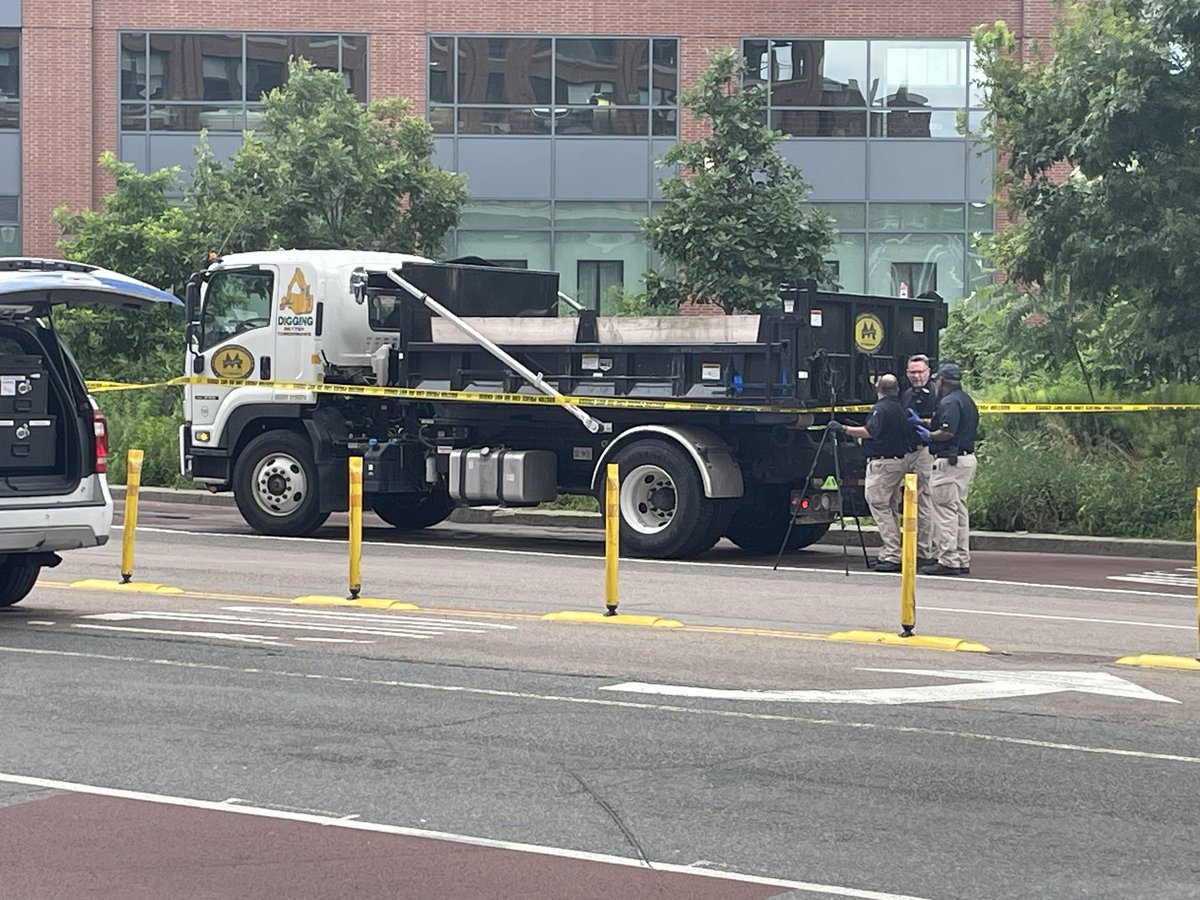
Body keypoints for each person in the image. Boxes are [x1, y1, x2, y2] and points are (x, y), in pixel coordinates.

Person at [827, 373, 912, 573]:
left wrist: (844, 428)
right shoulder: (899, 408)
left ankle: (892, 553)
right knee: (890, 506)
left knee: (879, 504)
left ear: (878, 389)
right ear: (897, 389)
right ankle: (889, 551)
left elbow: (870, 431)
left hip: (882, 464)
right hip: (898, 461)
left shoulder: (880, 409)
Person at [917, 362, 979, 576]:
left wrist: (928, 435)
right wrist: (925, 424)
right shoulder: (966, 400)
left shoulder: (950, 402)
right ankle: (961, 557)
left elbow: (947, 432)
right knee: (959, 510)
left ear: (941, 381)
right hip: (965, 460)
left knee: (944, 512)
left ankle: (948, 560)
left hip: (949, 462)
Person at [901, 354, 938, 567]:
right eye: (912, 372)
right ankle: (911, 547)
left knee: (925, 500)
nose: (916, 376)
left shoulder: (935, 393)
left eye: (920, 372)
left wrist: (921, 423)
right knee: (909, 501)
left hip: (926, 450)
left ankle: (926, 550)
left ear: (928, 372)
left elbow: (942, 422)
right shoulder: (907, 394)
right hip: (908, 450)